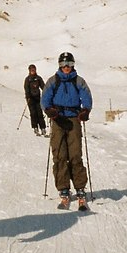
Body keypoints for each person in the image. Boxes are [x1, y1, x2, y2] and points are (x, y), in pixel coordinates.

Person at [41, 52, 93, 210]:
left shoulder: (79, 81)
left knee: (75, 154)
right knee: (60, 155)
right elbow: (45, 98)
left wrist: (86, 110)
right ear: (59, 65)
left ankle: (80, 188)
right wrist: (48, 110)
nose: (66, 68)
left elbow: (87, 96)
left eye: (69, 64)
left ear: (73, 65)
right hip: (58, 120)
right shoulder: (53, 81)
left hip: (74, 119)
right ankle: (63, 188)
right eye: (64, 64)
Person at [23, 64, 47, 136]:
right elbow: (26, 89)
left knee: (40, 113)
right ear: (29, 71)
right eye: (31, 70)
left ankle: (43, 128)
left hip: (37, 98)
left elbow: (43, 86)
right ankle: (35, 127)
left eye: (34, 70)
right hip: (30, 98)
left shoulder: (38, 78)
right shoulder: (28, 79)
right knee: (33, 113)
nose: (33, 71)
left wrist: (47, 93)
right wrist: (28, 96)